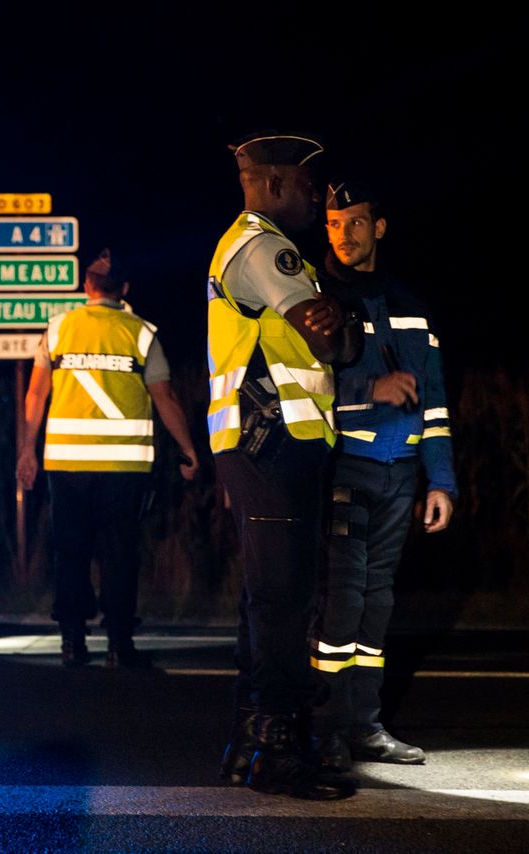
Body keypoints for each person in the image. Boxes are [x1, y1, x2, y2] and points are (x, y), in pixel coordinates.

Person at [207, 132, 360, 799]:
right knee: (283, 600)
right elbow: (335, 339)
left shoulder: (245, 244)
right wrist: (344, 321)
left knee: (268, 596)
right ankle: (281, 751)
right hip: (273, 441)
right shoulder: (265, 245)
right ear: (271, 184)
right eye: (305, 184)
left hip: (263, 441)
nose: (316, 196)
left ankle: (249, 747)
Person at [311, 180, 456, 769]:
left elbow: (437, 400)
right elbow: (301, 388)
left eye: (355, 222)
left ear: (380, 227)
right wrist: (370, 389)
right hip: (344, 465)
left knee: (377, 604)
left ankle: (365, 728)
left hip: (401, 477)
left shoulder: (411, 304)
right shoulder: (315, 299)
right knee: (342, 601)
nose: (344, 234)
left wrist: (442, 479)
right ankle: (324, 729)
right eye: (334, 223)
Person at [16, 248, 199, 668]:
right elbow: (165, 397)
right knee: (119, 552)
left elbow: (36, 394)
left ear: (86, 287)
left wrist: (27, 450)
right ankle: (119, 645)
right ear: (126, 289)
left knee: (71, 551)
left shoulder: (58, 330)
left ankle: (72, 642)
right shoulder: (141, 333)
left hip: (65, 465)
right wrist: (188, 450)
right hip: (124, 468)